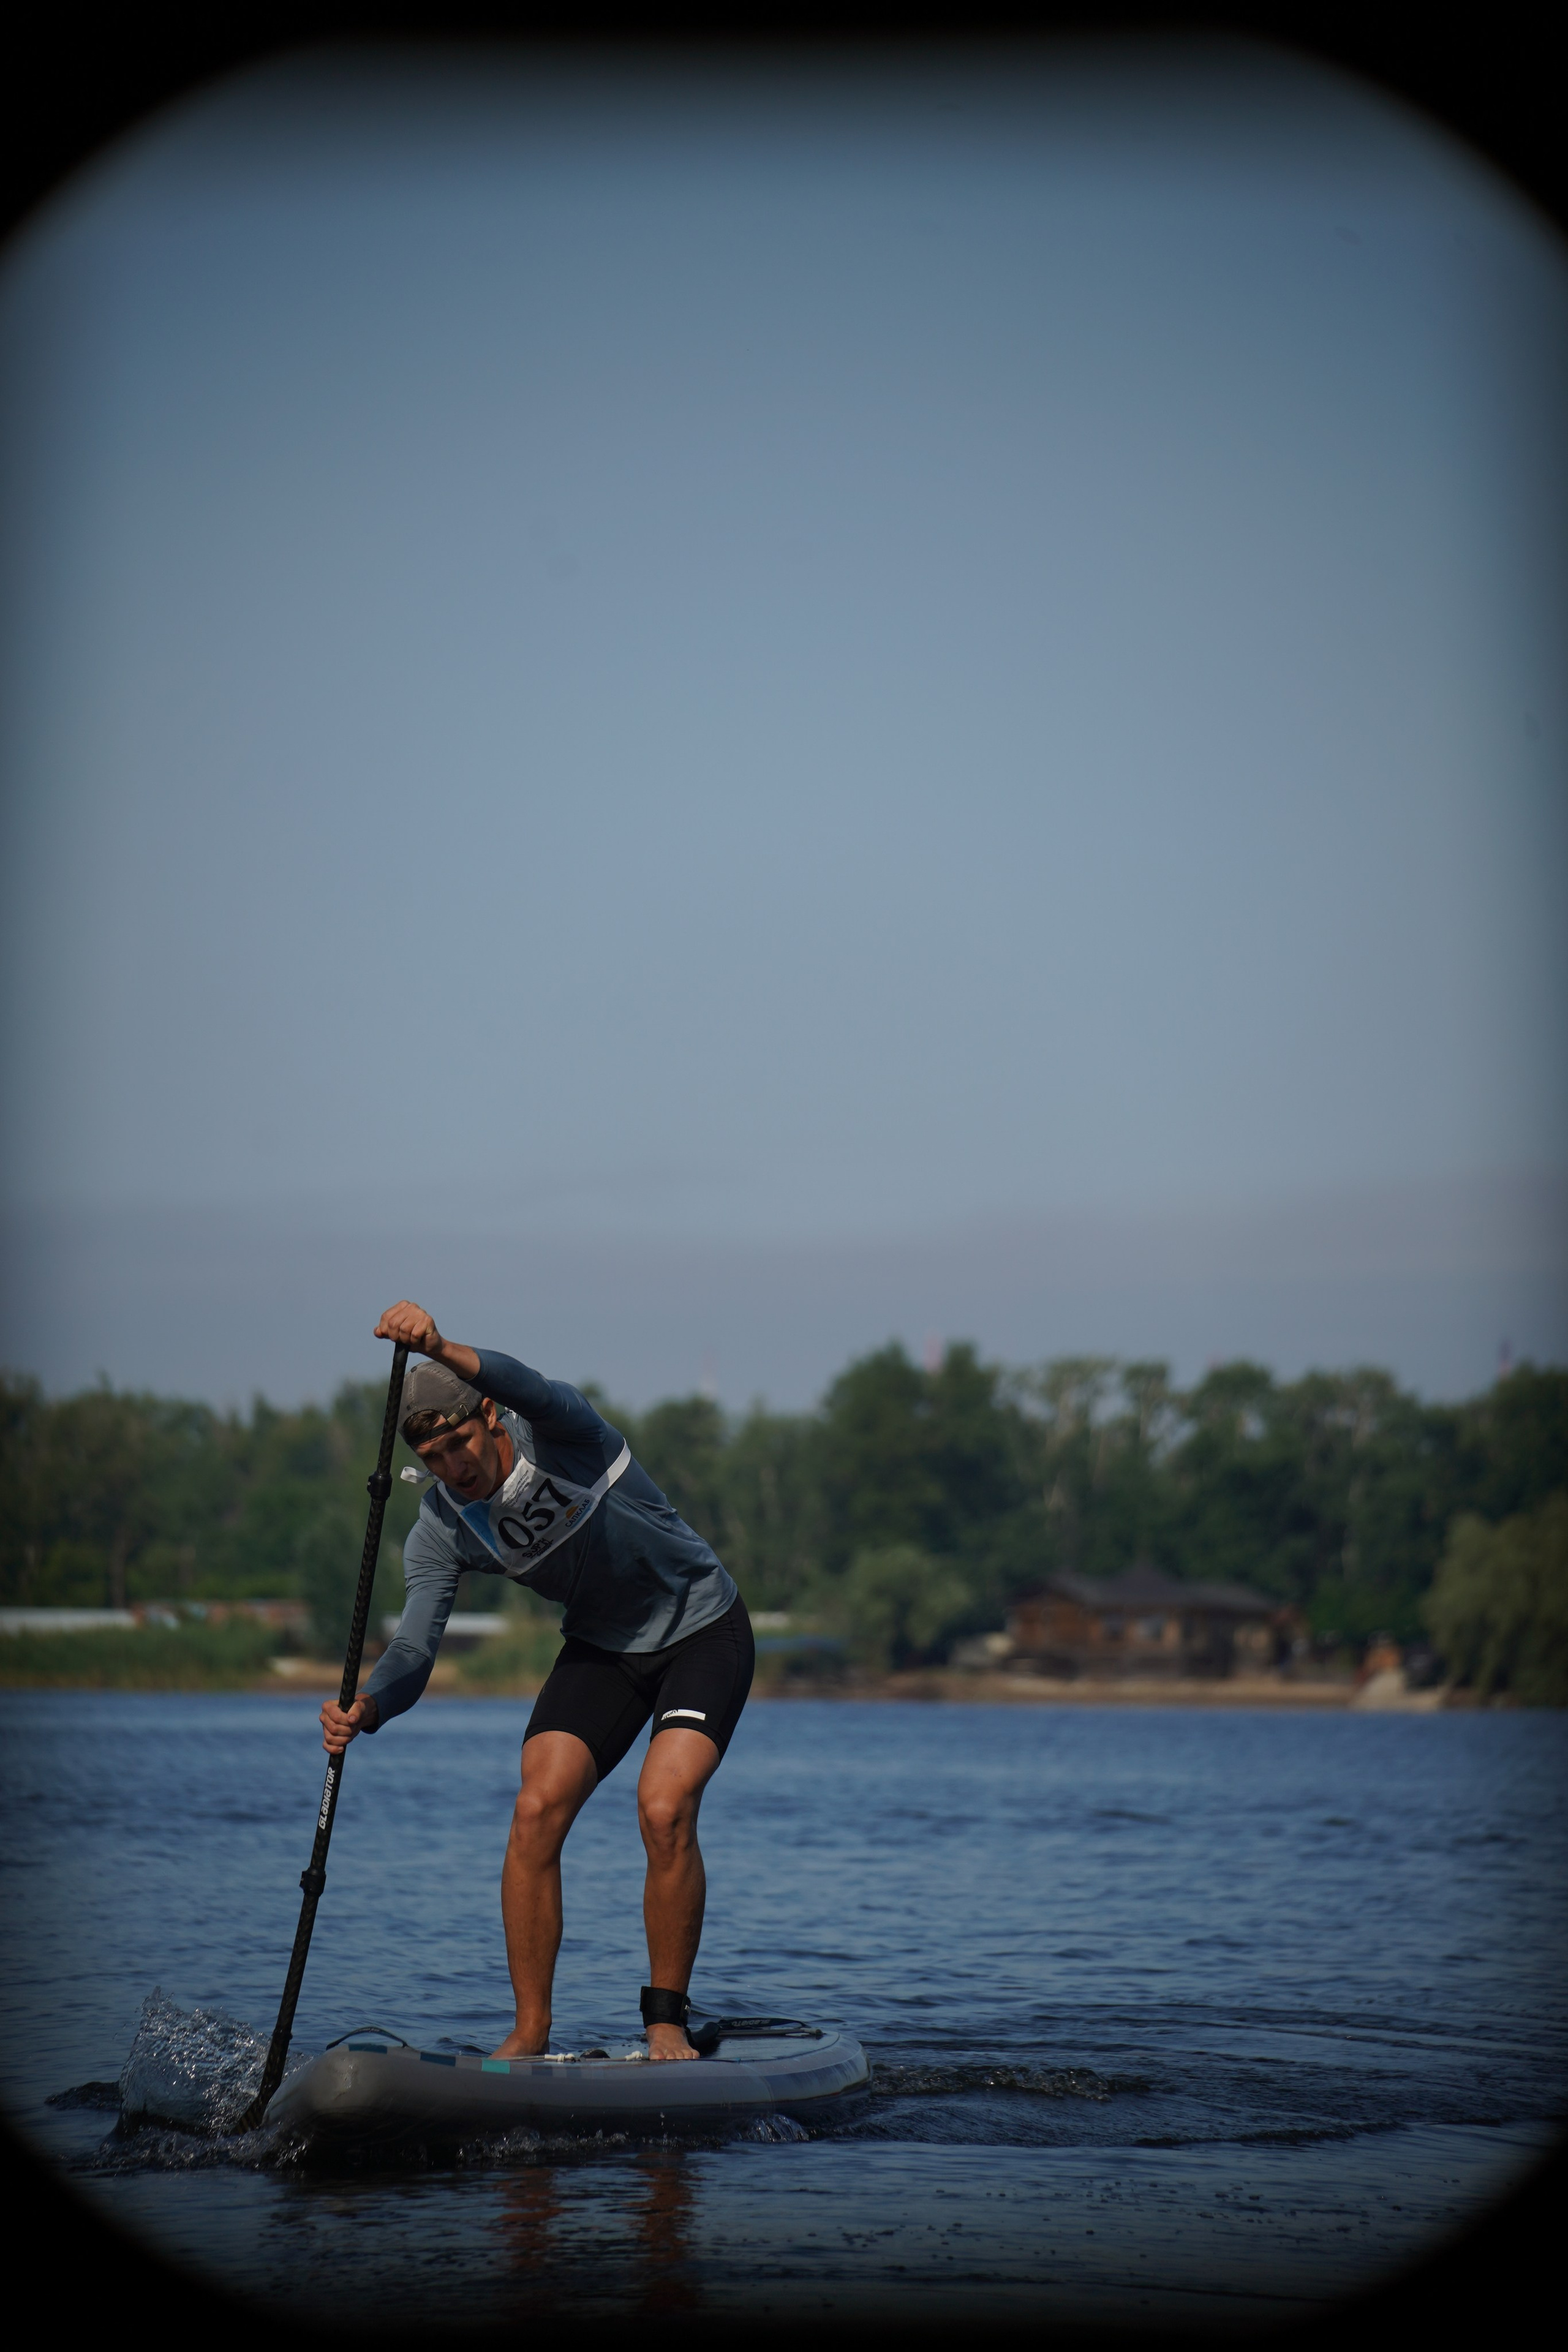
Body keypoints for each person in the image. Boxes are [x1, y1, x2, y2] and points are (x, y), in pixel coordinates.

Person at [320, 1300, 753, 2063]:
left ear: (488, 1416)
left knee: (662, 1808)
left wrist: (441, 1346)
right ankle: (530, 2031)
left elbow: (529, 1383)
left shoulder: (562, 1434)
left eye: (460, 1443)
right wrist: (370, 1705)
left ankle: (664, 2022)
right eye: (435, 1457)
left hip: (702, 1629)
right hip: (603, 1647)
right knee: (534, 1810)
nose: (455, 1468)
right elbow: (414, 1646)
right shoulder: (442, 1529)